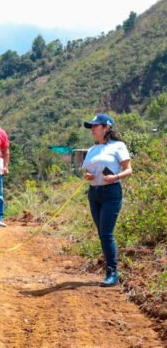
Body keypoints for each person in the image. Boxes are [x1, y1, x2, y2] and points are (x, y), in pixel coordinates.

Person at [82, 113, 132, 287]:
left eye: (96, 126)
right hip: (94, 193)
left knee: (106, 233)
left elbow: (128, 169)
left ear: (106, 127)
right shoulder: (92, 149)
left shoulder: (118, 146)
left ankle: (112, 273)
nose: (93, 130)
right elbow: (87, 171)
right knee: (102, 234)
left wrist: (116, 176)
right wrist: (88, 175)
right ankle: (109, 270)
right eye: (92, 127)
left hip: (111, 193)